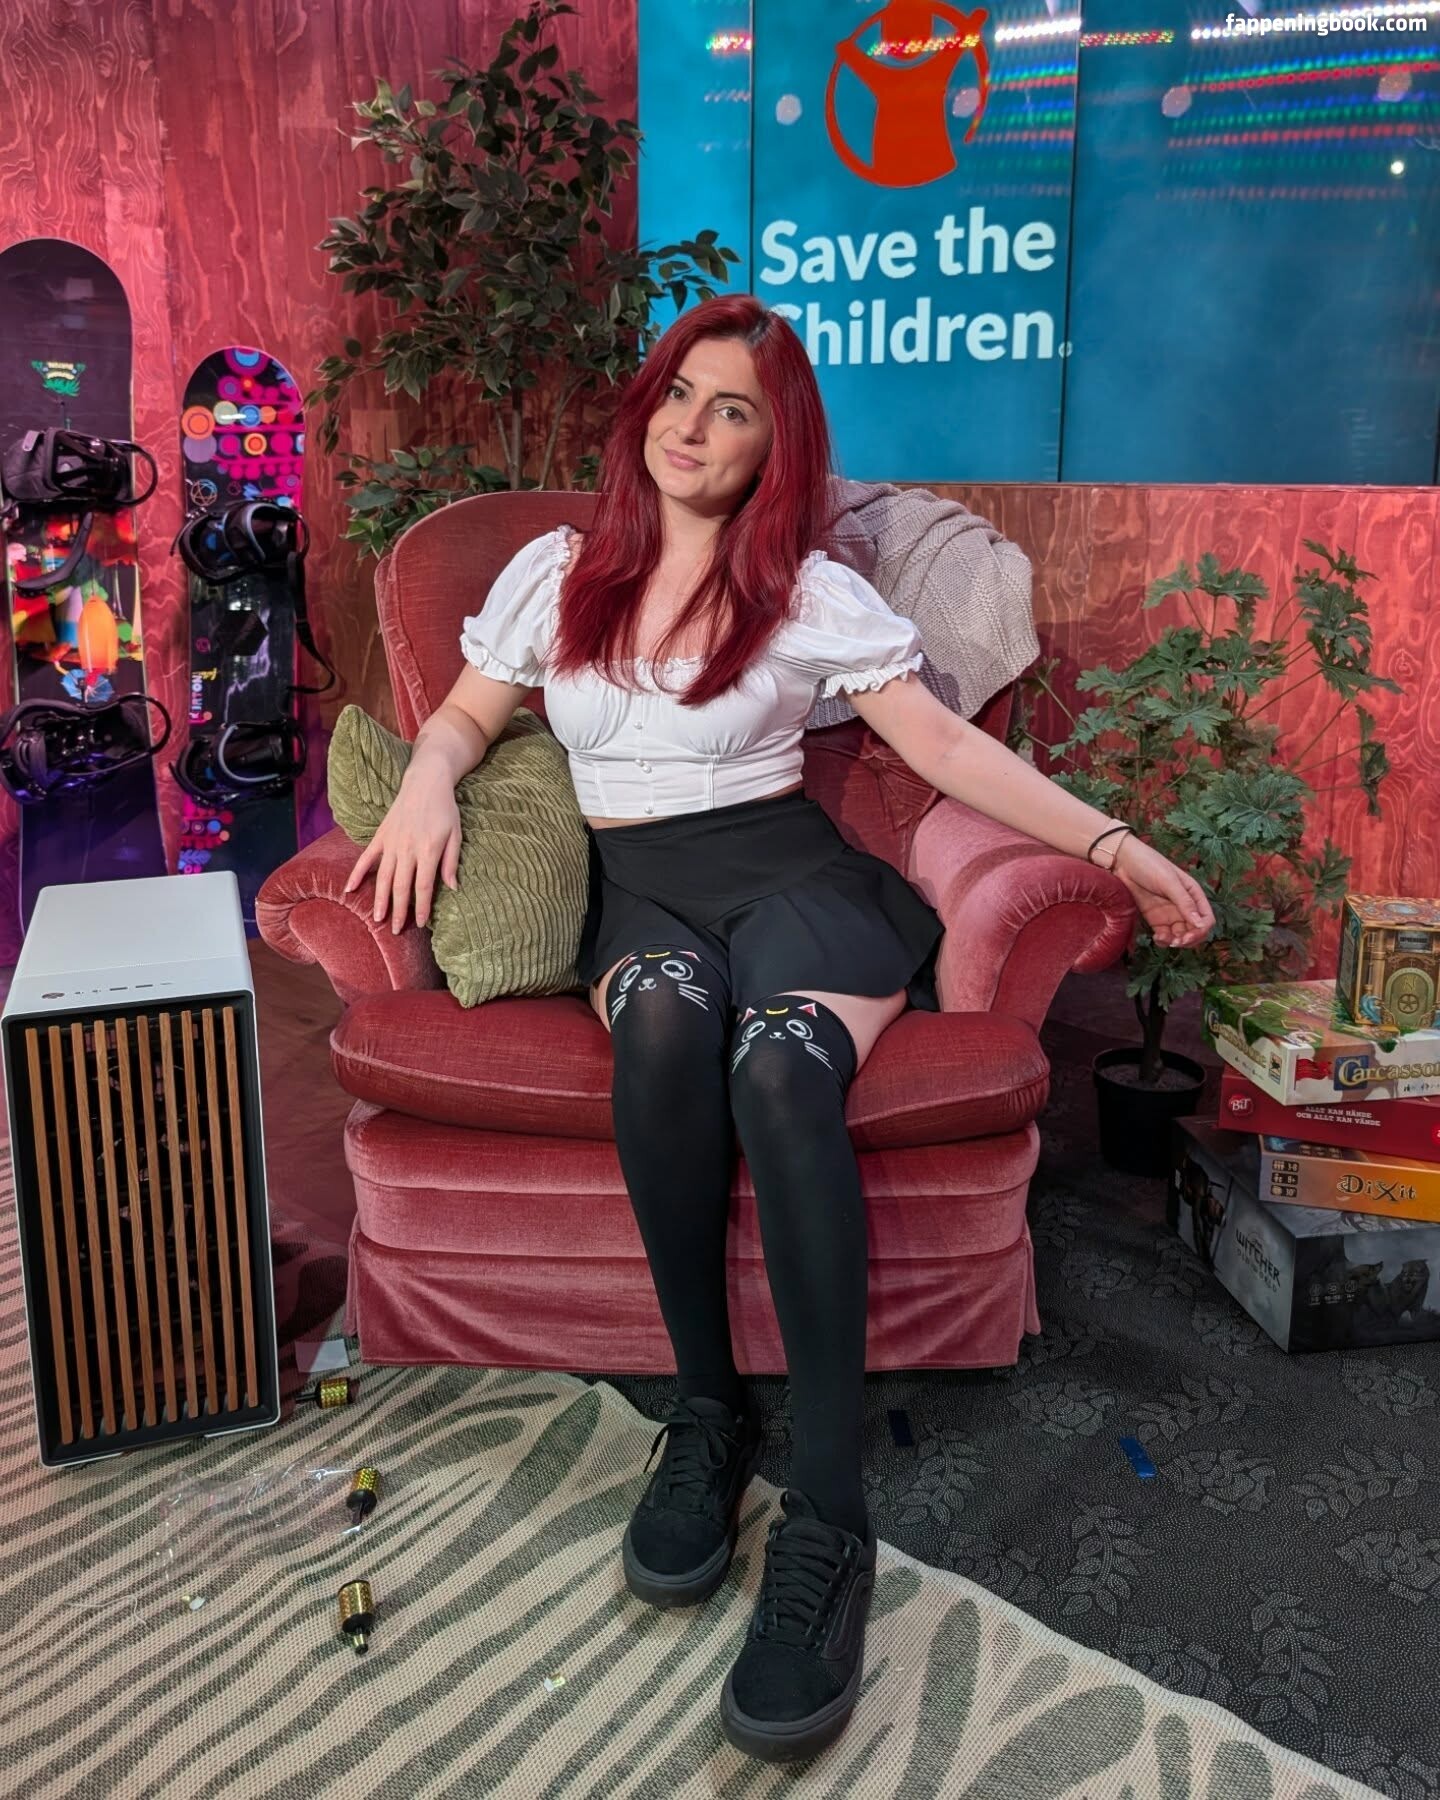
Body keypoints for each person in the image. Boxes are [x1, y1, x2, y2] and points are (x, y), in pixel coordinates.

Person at [343, 294, 1215, 1764]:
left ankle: (829, 1517)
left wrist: (1113, 842)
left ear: (772, 446)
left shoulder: (806, 592)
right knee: (665, 1036)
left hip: (794, 884)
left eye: (733, 408)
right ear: (647, 411)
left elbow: (942, 746)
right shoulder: (557, 572)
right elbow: (468, 717)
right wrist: (429, 776)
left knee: (779, 1073)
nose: (694, 426)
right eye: (680, 394)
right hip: (647, 894)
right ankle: (707, 1415)